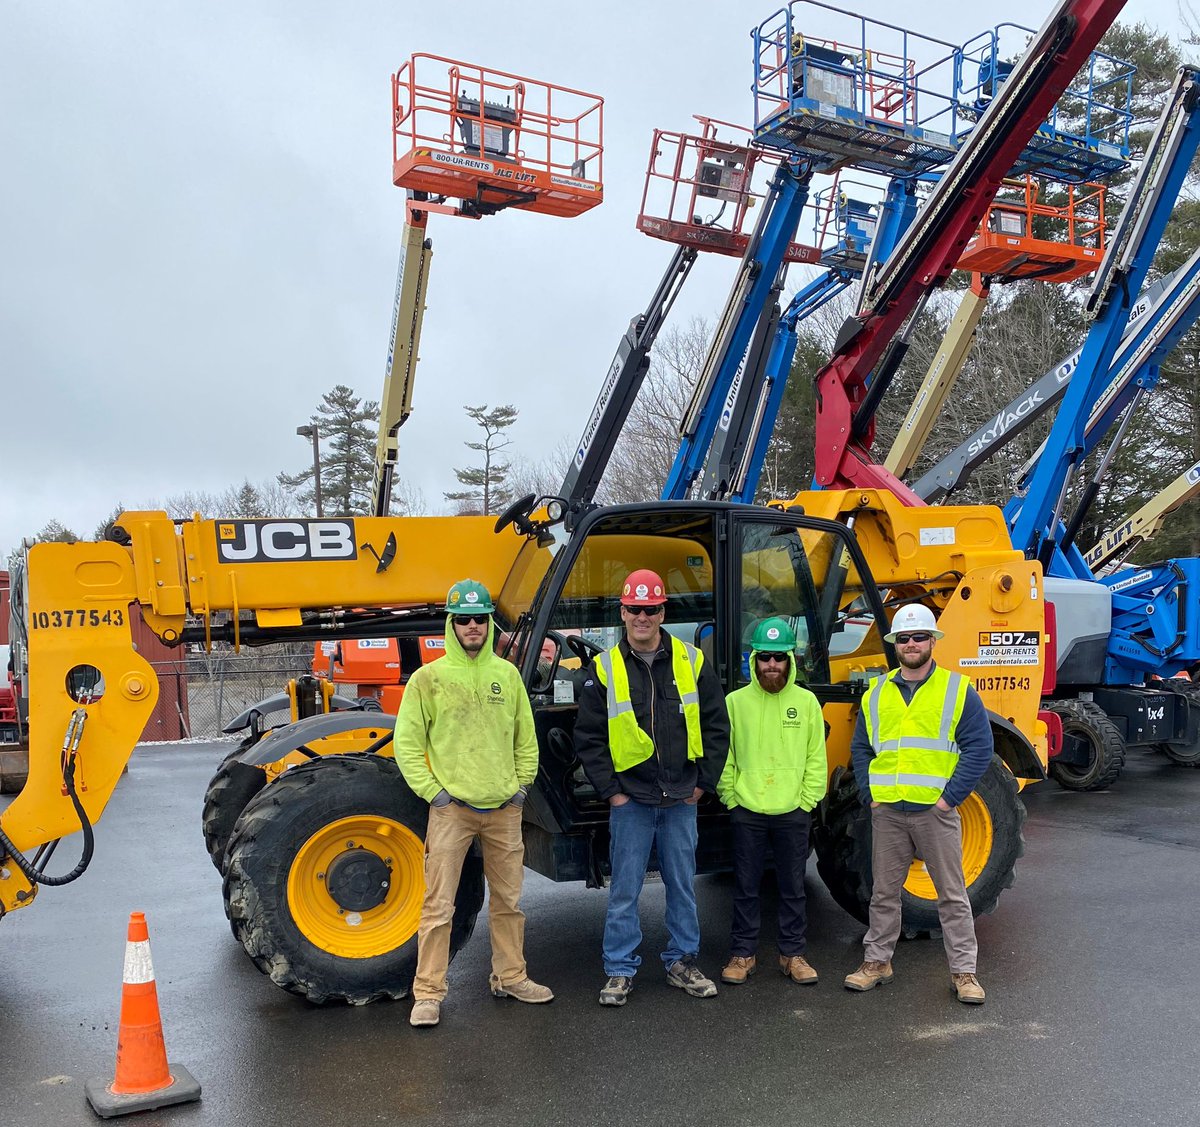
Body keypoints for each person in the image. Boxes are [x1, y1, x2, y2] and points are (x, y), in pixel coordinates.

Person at [394, 578, 553, 1028]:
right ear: (451, 624)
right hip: (452, 811)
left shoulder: (508, 676)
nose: (472, 627)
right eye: (463, 619)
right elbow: (407, 745)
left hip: (503, 810)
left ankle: (511, 977)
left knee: (509, 903)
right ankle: (428, 994)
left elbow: (526, 739)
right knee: (438, 906)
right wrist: (435, 794)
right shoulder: (428, 680)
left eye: (479, 619)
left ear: (488, 623)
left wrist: (520, 789)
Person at [574, 568, 730, 1007]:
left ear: (663, 612)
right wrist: (613, 792)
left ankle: (682, 962)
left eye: (651, 609)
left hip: (681, 798)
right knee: (625, 890)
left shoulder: (691, 662)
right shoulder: (605, 668)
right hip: (632, 801)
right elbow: (589, 738)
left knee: (682, 886)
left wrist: (702, 785)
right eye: (635, 608)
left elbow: (717, 726)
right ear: (623, 612)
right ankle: (619, 970)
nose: (642, 616)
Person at [845, 603, 993, 1005]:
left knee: (952, 895)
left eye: (919, 637)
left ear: (932, 641)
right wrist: (871, 795)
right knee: (883, 894)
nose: (911, 644)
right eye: (904, 638)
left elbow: (980, 747)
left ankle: (964, 973)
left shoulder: (956, 690)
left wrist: (949, 800)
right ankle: (877, 963)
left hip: (934, 812)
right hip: (889, 812)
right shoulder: (876, 693)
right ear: (895, 644)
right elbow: (861, 748)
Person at [717, 618, 827, 987]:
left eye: (779, 658)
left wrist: (806, 801)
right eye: (765, 657)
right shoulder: (735, 703)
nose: (772, 665)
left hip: (793, 811)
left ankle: (792, 954)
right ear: (754, 659)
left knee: (793, 887)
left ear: (790, 660)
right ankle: (743, 954)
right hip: (747, 810)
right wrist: (732, 798)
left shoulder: (807, 703)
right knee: (746, 887)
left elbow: (816, 758)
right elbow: (725, 757)